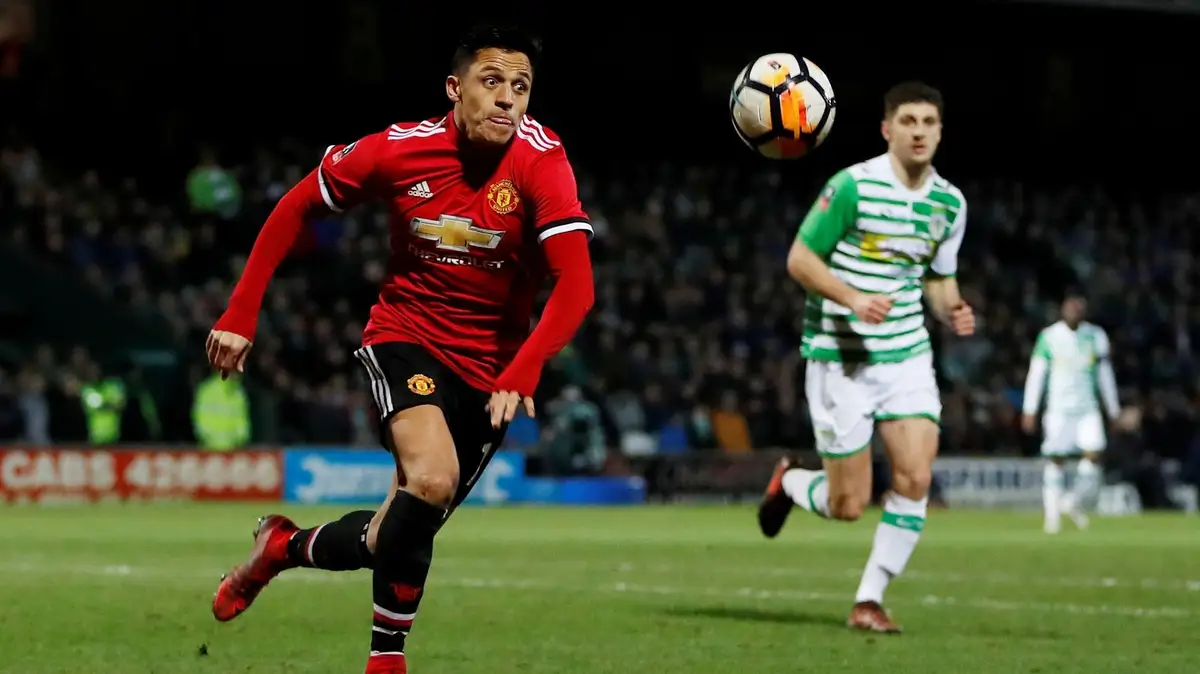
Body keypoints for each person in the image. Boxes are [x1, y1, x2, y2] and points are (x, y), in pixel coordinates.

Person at [205, 24, 595, 674]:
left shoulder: (540, 159)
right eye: (491, 81)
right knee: (433, 478)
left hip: (490, 373)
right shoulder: (398, 149)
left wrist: (522, 369)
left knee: (396, 531)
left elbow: (577, 286)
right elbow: (296, 206)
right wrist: (241, 312)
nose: (508, 99)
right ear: (455, 88)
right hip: (406, 337)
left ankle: (280, 548)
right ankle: (386, 661)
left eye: (521, 87)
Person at [755, 81, 975, 633]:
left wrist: (952, 310)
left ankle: (869, 600)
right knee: (848, 504)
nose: (919, 132)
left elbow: (938, 279)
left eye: (928, 122)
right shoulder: (852, 186)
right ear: (886, 129)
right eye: (908, 121)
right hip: (841, 356)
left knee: (915, 477)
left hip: (906, 355)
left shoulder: (950, 204)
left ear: (940, 131)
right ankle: (791, 481)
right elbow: (800, 259)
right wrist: (853, 298)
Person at [1021, 293, 1120, 533]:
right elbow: (1037, 374)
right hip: (1058, 409)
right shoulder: (1049, 336)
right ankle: (1052, 518)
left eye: (1078, 308)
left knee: (1094, 455)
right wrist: (1029, 409)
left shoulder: (1096, 336)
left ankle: (1071, 501)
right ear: (1063, 310)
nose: (1074, 311)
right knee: (1056, 459)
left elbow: (1105, 374)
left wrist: (1113, 408)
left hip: (1087, 408)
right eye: (1070, 307)